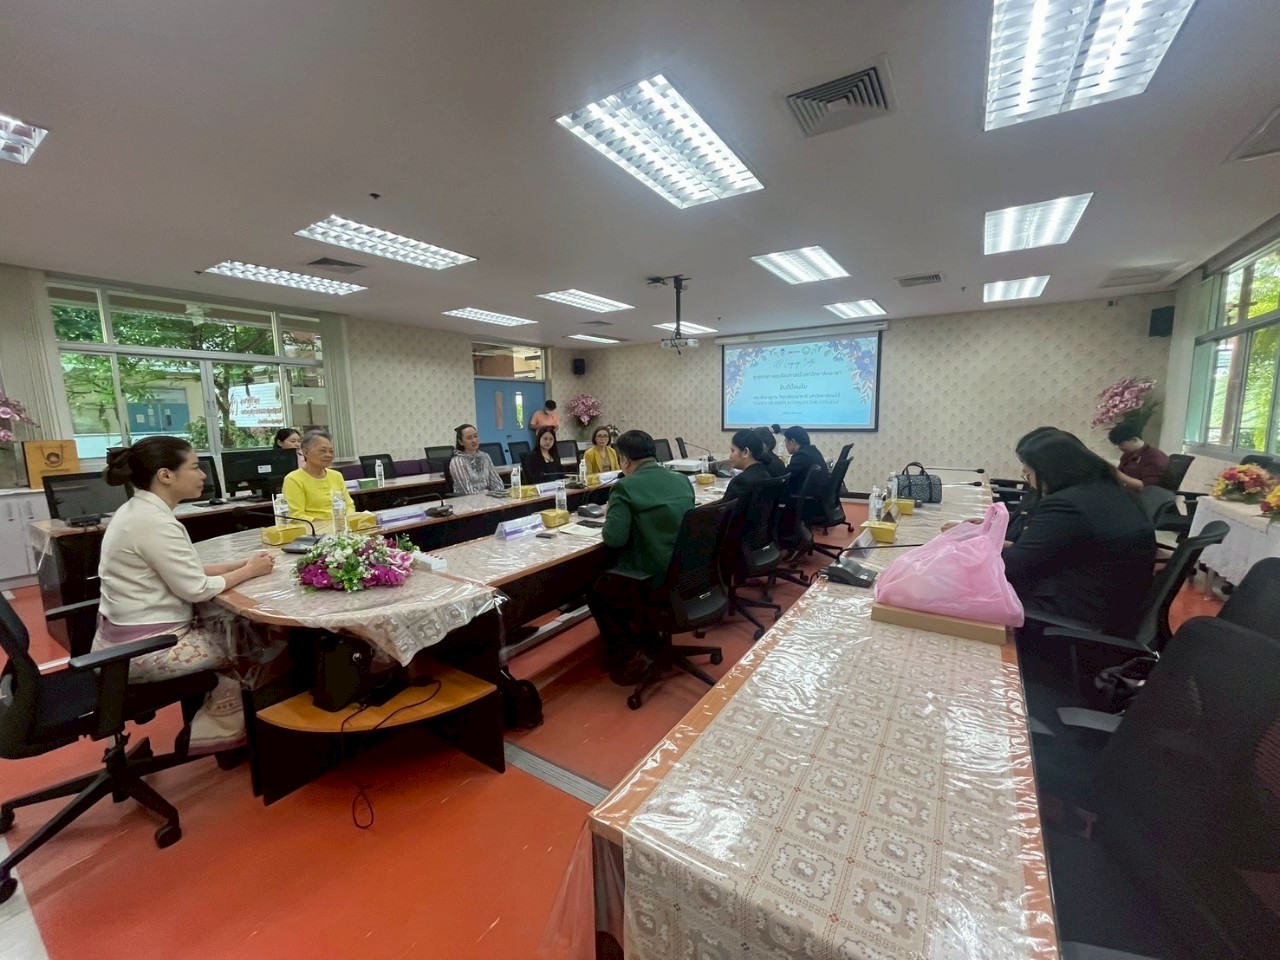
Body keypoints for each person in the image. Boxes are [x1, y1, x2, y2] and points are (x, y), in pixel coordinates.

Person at [94, 437, 277, 751]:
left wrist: (240, 564)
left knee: (232, 622)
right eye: (194, 467)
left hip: (119, 643)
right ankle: (216, 733)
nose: (203, 475)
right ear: (165, 475)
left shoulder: (138, 512)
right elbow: (196, 588)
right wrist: (249, 572)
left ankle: (220, 722)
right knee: (260, 640)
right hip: (144, 651)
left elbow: (184, 569)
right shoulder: (152, 522)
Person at [1002, 430, 1156, 636]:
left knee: (966, 595)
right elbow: (1052, 551)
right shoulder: (1115, 493)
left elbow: (1013, 568)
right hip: (1111, 610)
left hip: (1072, 616)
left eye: (1028, 470)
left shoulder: (1066, 505)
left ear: (1050, 471)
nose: (1027, 476)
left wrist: (973, 553)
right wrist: (1002, 545)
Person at [586, 430, 695, 682]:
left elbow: (614, 539)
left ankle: (629, 654)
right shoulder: (681, 480)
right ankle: (647, 637)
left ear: (624, 459)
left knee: (595, 589)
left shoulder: (625, 486)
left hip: (651, 577)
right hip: (688, 573)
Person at [282, 430, 355, 523]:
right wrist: (328, 523)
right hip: (313, 529)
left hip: (342, 526)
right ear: (306, 452)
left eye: (331, 451)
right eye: (322, 451)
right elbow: (295, 516)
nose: (328, 455)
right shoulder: (293, 479)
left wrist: (346, 520)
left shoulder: (336, 475)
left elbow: (349, 505)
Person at [724, 429, 773, 546]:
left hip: (737, 542)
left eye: (733, 451)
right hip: (760, 538)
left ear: (745, 452)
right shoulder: (765, 474)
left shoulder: (741, 481)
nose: (730, 456)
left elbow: (724, 515)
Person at [1108, 422, 1171, 491]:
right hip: (1127, 491)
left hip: (1146, 495)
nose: (1119, 447)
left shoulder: (1155, 457)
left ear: (1134, 440)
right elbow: (1119, 474)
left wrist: (1117, 474)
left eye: (1121, 444)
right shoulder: (1127, 454)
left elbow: (1146, 487)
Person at [450, 423, 505, 494]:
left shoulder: (485, 456)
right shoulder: (457, 461)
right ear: (460, 442)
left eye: (475, 436)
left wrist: (499, 494)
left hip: (490, 497)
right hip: (469, 499)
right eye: (469, 438)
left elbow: (496, 481)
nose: (474, 440)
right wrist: (487, 495)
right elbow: (467, 490)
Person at [779, 424, 828, 495]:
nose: (785, 444)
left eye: (785, 441)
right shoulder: (813, 450)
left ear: (792, 441)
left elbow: (786, 475)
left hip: (808, 496)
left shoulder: (801, 455)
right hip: (820, 494)